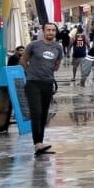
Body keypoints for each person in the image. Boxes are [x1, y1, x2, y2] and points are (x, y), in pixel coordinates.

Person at [23, 22, 65, 156]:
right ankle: (37, 143)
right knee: (36, 112)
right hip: (33, 83)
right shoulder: (33, 45)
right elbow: (23, 61)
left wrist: (47, 71)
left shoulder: (58, 47)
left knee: (44, 114)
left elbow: (57, 65)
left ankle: (40, 142)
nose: (50, 32)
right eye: (48, 30)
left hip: (48, 83)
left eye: (53, 30)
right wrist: (30, 73)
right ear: (43, 31)